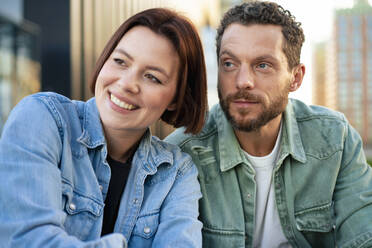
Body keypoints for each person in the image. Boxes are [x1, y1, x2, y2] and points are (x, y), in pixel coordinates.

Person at [166, 1, 372, 247]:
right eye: (229, 64)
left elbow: (361, 237)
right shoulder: (182, 153)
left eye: (262, 65)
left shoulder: (335, 139)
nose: (242, 81)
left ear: (295, 78)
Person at [0, 8, 207, 248]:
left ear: (176, 99)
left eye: (152, 77)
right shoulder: (43, 119)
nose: (127, 84)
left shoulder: (176, 173)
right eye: (120, 61)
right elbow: (27, 241)